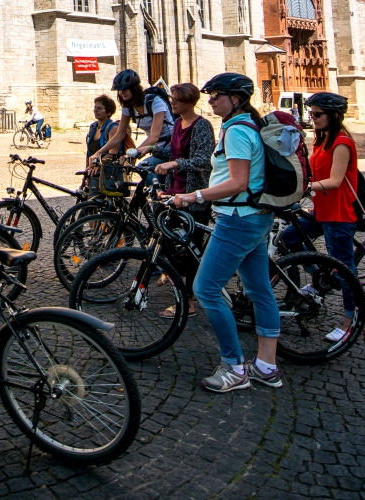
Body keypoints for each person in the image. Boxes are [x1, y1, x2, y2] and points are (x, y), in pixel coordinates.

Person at [170, 73, 282, 392]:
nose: (210, 101)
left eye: (216, 95)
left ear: (235, 98)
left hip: (237, 218)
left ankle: (234, 368)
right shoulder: (249, 124)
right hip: (255, 217)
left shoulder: (236, 130)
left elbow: (237, 182)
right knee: (260, 289)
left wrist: (195, 196)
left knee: (205, 289)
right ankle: (266, 366)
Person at [280, 92, 360, 343]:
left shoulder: (342, 143)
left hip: (339, 213)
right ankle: (319, 279)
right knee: (289, 239)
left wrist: (303, 187)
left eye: (317, 114)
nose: (312, 118)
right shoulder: (322, 141)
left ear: (333, 116)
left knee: (345, 268)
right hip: (320, 211)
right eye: (310, 113)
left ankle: (351, 322)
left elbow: (335, 181)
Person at [150, 83, 214, 318]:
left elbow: (203, 160)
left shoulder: (202, 126)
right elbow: (172, 152)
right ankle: (174, 271)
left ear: (189, 101)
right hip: (174, 191)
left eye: (176, 99)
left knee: (191, 247)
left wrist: (175, 164)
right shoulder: (178, 123)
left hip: (194, 195)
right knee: (161, 232)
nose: (172, 102)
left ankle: (188, 301)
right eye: (172, 98)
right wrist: (150, 149)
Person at [88, 69, 175, 179]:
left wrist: (132, 153)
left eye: (125, 89)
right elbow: (119, 134)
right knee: (147, 173)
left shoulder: (155, 102)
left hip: (171, 143)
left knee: (146, 169)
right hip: (155, 147)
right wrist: (98, 153)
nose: (121, 92)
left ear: (134, 88)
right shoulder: (128, 107)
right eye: (119, 90)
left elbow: (154, 136)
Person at [84, 94, 122, 190]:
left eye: (99, 108)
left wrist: (99, 165)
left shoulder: (112, 128)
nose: (95, 110)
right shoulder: (93, 127)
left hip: (109, 172)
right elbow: (89, 152)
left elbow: (112, 154)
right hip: (93, 171)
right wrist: (87, 170)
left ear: (108, 112)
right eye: (95, 107)